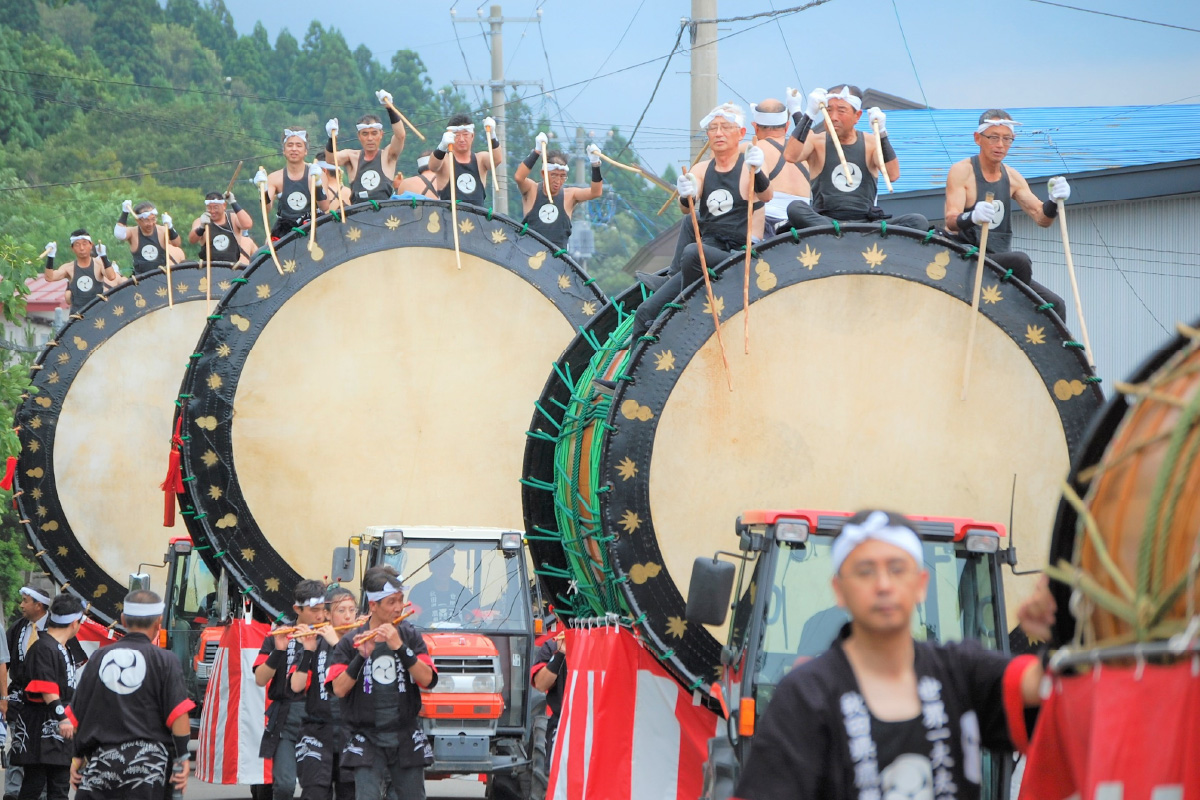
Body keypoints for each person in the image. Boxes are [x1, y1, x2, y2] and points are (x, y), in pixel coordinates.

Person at [732, 509, 1058, 800]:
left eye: (897, 569)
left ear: (921, 584)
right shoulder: (805, 696)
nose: (884, 585)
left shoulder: (961, 671)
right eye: (865, 571)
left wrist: (1066, 619)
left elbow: (1048, 684)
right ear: (839, 590)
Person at [632, 102, 771, 337]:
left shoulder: (750, 164)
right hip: (708, 251)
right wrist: (686, 192)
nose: (718, 133)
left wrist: (757, 171)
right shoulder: (703, 168)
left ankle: (686, 311)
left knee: (693, 252)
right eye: (713, 128)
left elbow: (766, 195)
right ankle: (630, 374)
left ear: (741, 133)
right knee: (645, 311)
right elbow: (687, 208)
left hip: (738, 255)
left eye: (726, 127)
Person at [69, 590, 192, 800]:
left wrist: (77, 757)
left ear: (123, 620)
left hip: (102, 763)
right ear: (158, 622)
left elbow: (77, 714)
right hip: (149, 767)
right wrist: (183, 757)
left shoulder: (99, 658)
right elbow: (178, 714)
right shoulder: (165, 660)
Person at [944, 110, 1069, 315]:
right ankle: (1013, 313)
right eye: (993, 137)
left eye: (1007, 139)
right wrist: (972, 216)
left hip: (997, 261)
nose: (1000, 145)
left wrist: (1054, 201)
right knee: (1019, 261)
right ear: (978, 138)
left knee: (1055, 304)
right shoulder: (962, 171)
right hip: (965, 257)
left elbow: (1041, 218)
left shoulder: (1012, 177)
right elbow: (951, 220)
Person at [329, 566, 436, 800]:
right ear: (373, 605)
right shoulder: (351, 640)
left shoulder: (409, 636)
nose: (398, 608)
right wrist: (360, 657)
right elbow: (338, 689)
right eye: (391, 602)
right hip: (366, 736)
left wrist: (400, 648)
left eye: (400, 600)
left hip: (405, 733)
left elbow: (427, 679)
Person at [783, 85, 929, 232]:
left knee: (918, 221)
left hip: (865, 223)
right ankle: (837, 232)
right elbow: (790, 155)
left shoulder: (871, 142)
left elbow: (893, 174)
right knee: (795, 208)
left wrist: (882, 133)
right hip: (825, 221)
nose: (833, 117)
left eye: (841, 111)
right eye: (828, 111)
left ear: (857, 116)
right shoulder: (816, 141)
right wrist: (809, 113)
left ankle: (854, 234)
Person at [255, 580, 329, 800]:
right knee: (285, 785)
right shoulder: (282, 633)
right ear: (298, 609)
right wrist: (279, 651)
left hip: (321, 719)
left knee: (317, 787)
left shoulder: (332, 636)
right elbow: (260, 679)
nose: (320, 615)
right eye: (314, 610)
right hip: (287, 719)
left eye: (323, 610)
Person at [8, 594, 84, 800]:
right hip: (41, 728)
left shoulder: (62, 647)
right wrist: (63, 717)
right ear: (75, 622)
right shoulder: (44, 647)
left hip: (57, 730)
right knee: (34, 785)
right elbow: (46, 687)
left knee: (58, 785)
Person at [290, 585, 358, 800]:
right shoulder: (314, 641)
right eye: (341, 610)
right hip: (316, 734)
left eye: (352, 610)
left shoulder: (363, 642)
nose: (347, 616)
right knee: (314, 794)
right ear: (327, 615)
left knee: (351, 794)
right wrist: (308, 651)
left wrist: (338, 644)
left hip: (353, 735)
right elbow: (296, 687)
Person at [3, 579, 54, 800]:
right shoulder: (17, 628)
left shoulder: (56, 629)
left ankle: (42, 794)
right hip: (18, 696)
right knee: (18, 743)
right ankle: (13, 793)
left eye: (25, 601)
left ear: (39, 605)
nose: (21, 606)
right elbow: (4, 662)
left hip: (47, 700)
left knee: (42, 748)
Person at [513, 135, 603, 249]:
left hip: (557, 261)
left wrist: (595, 164)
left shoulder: (570, 195)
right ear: (543, 173)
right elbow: (519, 177)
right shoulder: (532, 189)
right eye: (554, 175)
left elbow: (596, 192)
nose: (558, 181)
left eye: (562, 176)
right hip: (527, 255)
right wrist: (537, 151)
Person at [325, 90, 407, 204]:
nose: (370, 138)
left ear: (381, 135)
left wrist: (390, 108)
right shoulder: (352, 156)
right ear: (359, 136)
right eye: (365, 134)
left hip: (384, 214)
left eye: (374, 133)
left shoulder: (387, 155)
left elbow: (400, 136)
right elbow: (330, 159)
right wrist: (331, 138)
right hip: (358, 214)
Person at [252, 128, 331, 240]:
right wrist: (262, 190)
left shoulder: (316, 174)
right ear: (284, 150)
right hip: (285, 230)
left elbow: (324, 206)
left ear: (306, 150)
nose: (294, 149)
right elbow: (266, 210)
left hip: (312, 227)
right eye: (290, 145)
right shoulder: (274, 178)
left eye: (299, 145)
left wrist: (317, 183)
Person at [749, 98, 812, 232]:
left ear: (755, 127)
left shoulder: (753, 149)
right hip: (804, 225)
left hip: (768, 223)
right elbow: (807, 136)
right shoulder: (806, 150)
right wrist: (796, 111)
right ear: (787, 126)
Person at [428, 113, 501, 208]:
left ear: (472, 136)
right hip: (450, 218)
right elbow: (433, 166)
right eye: (457, 135)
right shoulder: (445, 160)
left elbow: (496, 159)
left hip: (477, 219)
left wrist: (492, 135)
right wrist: (442, 147)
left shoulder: (480, 159)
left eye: (465, 134)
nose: (461, 139)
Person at [41, 232, 119, 314]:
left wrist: (103, 256)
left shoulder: (99, 264)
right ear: (72, 248)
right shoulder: (68, 268)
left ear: (91, 245)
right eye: (77, 245)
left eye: (84, 244)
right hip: (77, 315)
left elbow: (111, 276)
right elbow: (49, 277)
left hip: (98, 313)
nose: (81, 248)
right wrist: (50, 256)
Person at [530, 619, 568, 769]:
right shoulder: (552, 646)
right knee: (553, 772)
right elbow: (540, 684)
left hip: (591, 722)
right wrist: (560, 655)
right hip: (560, 722)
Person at [114, 201, 184, 275]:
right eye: (146, 220)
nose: (150, 224)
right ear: (138, 221)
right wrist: (125, 212)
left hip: (161, 276)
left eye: (153, 219)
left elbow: (176, 243)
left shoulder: (163, 230)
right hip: (141, 278)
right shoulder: (132, 232)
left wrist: (170, 227)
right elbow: (119, 234)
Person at [188, 191, 255, 266]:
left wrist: (233, 202)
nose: (212, 211)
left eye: (216, 207)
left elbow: (247, 224)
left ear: (224, 205)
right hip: (209, 269)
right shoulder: (201, 221)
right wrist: (201, 227)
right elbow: (192, 240)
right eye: (209, 208)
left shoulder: (233, 218)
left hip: (232, 268)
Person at [407, 553, 477, 625]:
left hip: (458, 635)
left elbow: (477, 618)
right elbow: (411, 616)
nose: (443, 569)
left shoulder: (463, 592)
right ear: (430, 566)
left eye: (447, 564)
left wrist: (474, 621)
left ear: (453, 567)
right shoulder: (418, 592)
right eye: (438, 564)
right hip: (424, 635)